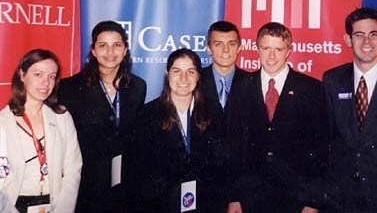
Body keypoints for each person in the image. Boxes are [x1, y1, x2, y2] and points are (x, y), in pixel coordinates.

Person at [230, 22, 329, 213]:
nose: (272, 56)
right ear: (257, 49)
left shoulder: (311, 89)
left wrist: (313, 201)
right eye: (266, 48)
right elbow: (234, 146)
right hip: (251, 197)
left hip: (295, 199)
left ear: (288, 51)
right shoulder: (241, 87)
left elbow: (319, 149)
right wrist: (234, 198)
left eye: (278, 49)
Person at [57, 20, 147, 212]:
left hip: (124, 183)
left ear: (125, 50)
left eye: (117, 45)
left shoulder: (138, 87)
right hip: (86, 185)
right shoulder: (70, 88)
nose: (110, 52)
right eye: (103, 45)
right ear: (93, 51)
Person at [322, 7, 377, 211]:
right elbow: (325, 137)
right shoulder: (332, 80)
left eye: (373, 34)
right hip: (341, 195)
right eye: (359, 35)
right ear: (348, 40)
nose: (367, 42)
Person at [137, 48, 226, 213]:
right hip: (161, 205)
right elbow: (141, 172)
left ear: (199, 76)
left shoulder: (213, 111)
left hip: (206, 204)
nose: (183, 78)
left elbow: (221, 164)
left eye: (190, 71)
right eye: (177, 71)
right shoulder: (147, 114)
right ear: (167, 73)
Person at [0, 48, 82, 213]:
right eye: (38, 74)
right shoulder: (3, 122)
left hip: (55, 205)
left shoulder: (62, 118)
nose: (46, 83)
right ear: (22, 75)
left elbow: (73, 170)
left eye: (51, 76)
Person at [200, 21, 253, 212]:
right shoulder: (193, 81)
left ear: (239, 47)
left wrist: (238, 194)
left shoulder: (253, 83)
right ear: (208, 48)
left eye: (231, 44)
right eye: (217, 44)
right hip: (201, 188)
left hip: (242, 189)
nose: (225, 50)